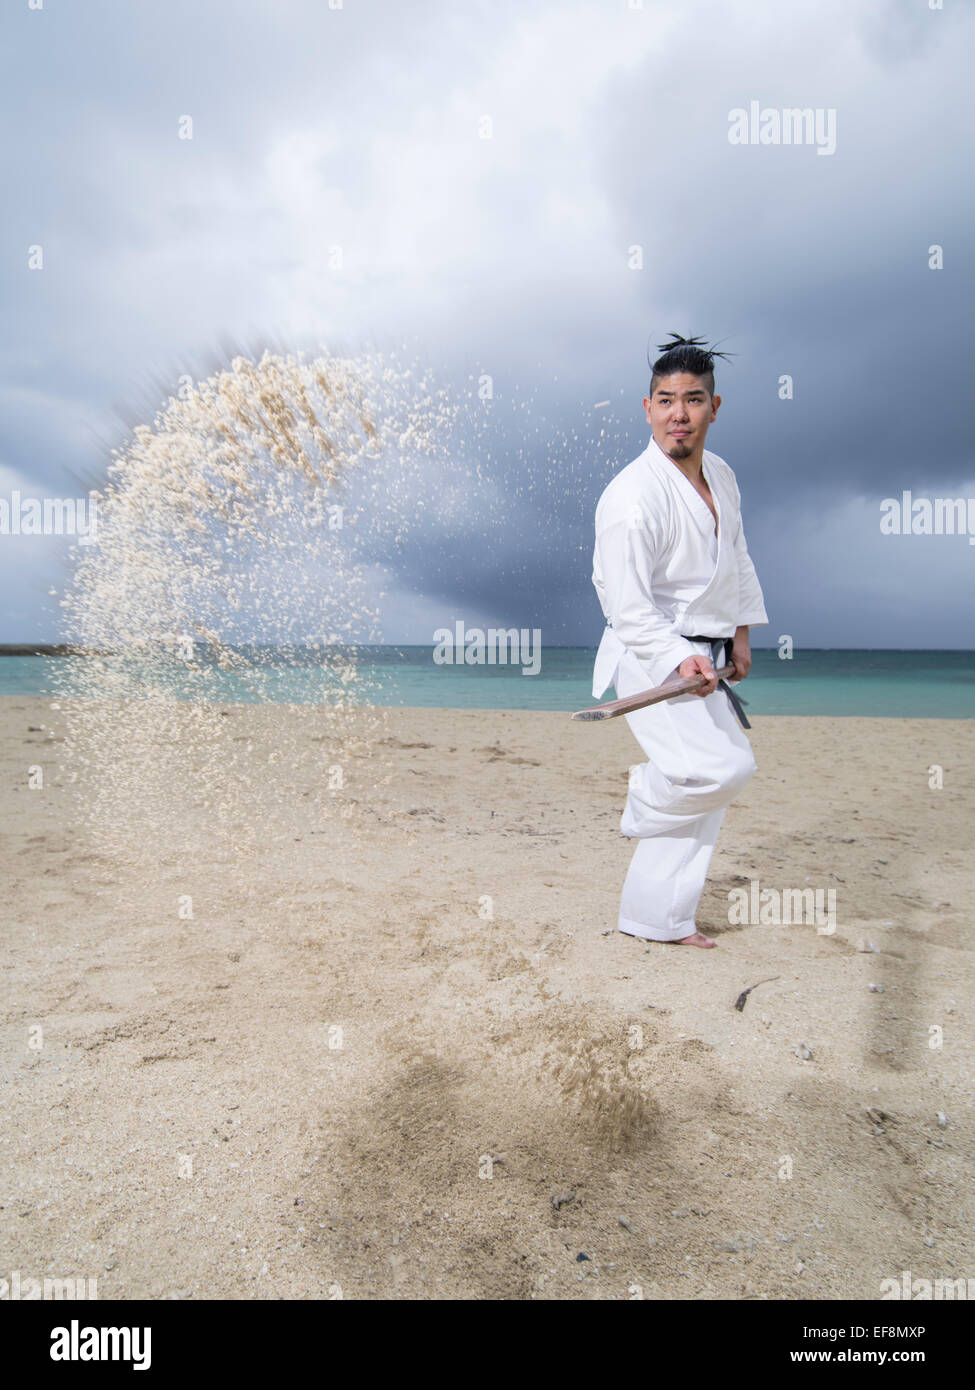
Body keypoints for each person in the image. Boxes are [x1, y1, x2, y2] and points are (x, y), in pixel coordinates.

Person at [591, 334, 769, 949]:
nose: (679, 413)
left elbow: (737, 557)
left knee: (707, 798)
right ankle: (644, 795)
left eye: (693, 400)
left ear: (714, 409)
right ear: (647, 408)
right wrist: (677, 656)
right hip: (651, 660)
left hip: (708, 658)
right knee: (720, 770)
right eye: (666, 400)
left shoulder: (721, 475)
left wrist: (740, 633)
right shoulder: (631, 497)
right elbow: (627, 607)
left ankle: (657, 919)